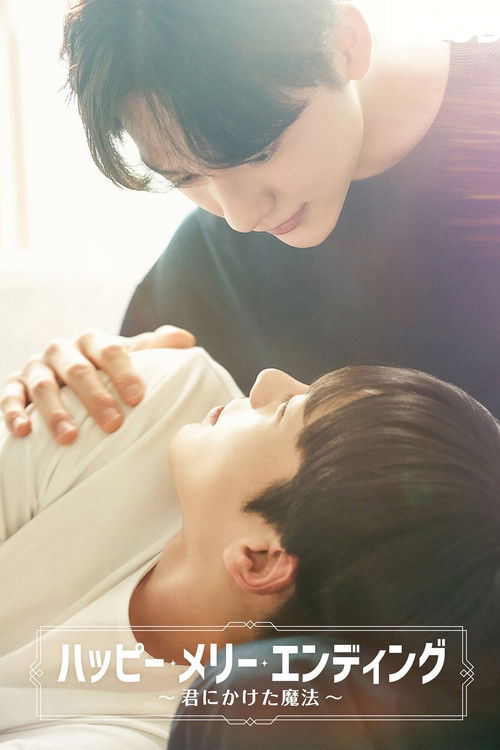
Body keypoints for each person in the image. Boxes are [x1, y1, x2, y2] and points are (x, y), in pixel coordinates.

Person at [1, 0, 499, 445]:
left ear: (346, 45)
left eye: (260, 153)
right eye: (186, 176)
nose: (240, 217)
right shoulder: (210, 259)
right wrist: (74, 382)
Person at [1, 346, 499, 749]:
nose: (267, 379)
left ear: (260, 560)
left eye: (285, 411)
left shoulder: (151, 736)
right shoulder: (158, 400)